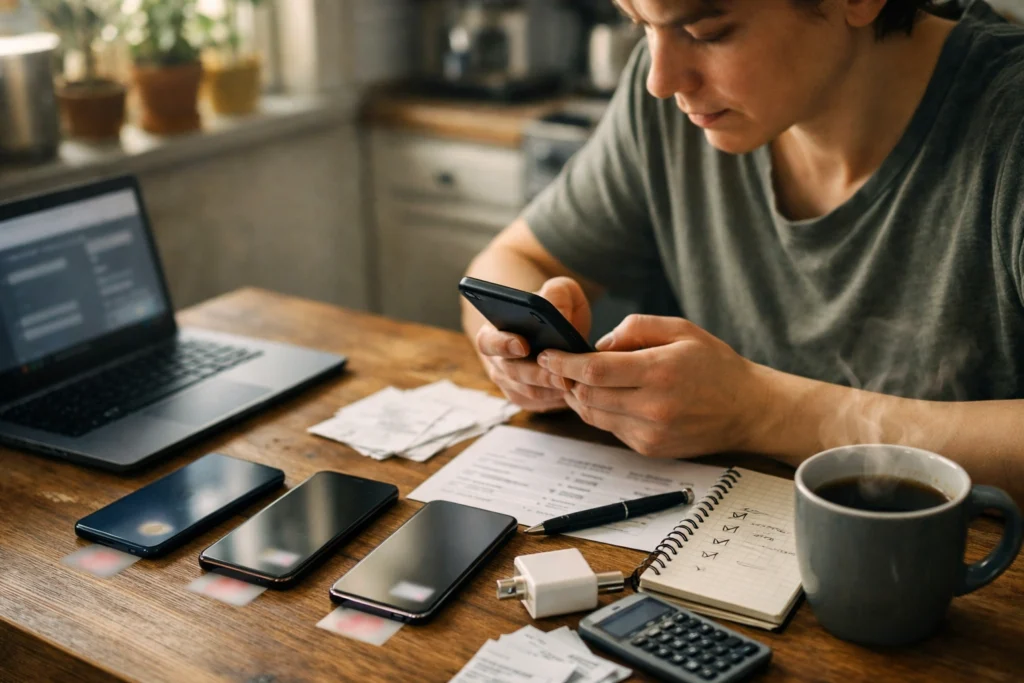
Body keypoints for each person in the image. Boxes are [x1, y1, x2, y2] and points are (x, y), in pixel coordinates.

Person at [460, 0, 1024, 504]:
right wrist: (521, 347)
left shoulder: (1008, 123)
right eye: (639, 24)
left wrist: (760, 412)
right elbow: (510, 260)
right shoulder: (668, 104)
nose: (661, 78)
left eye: (708, 31)